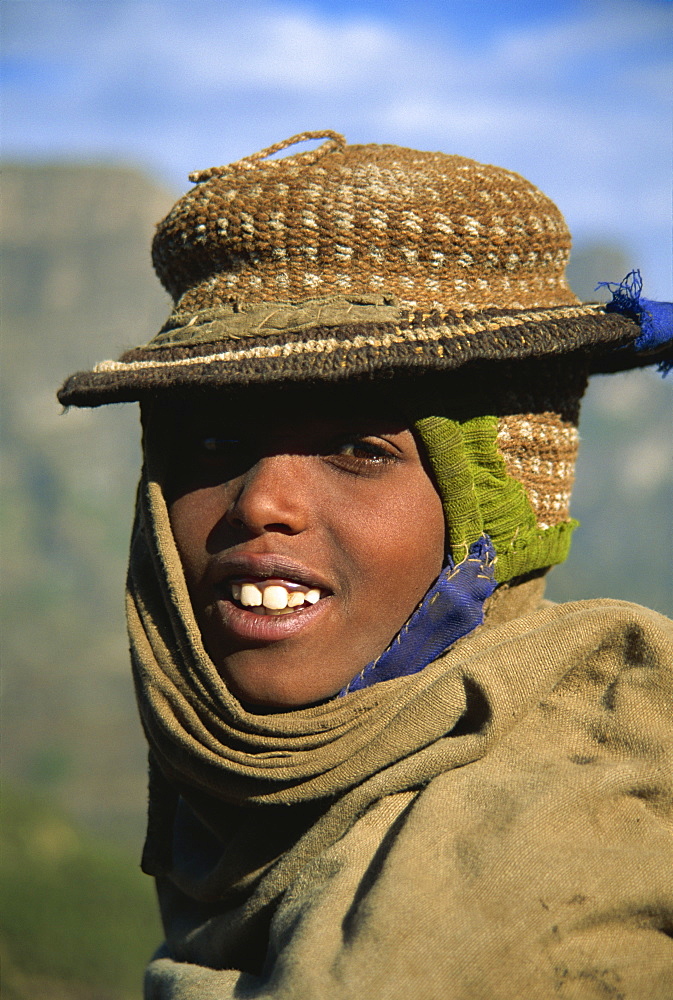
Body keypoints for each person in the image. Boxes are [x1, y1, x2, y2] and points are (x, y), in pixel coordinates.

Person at [58, 131, 673, 999]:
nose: (261, 503)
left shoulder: (536, 885)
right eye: (211, 442)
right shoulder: (232, 835)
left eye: (358, 447)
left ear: (491, 516)